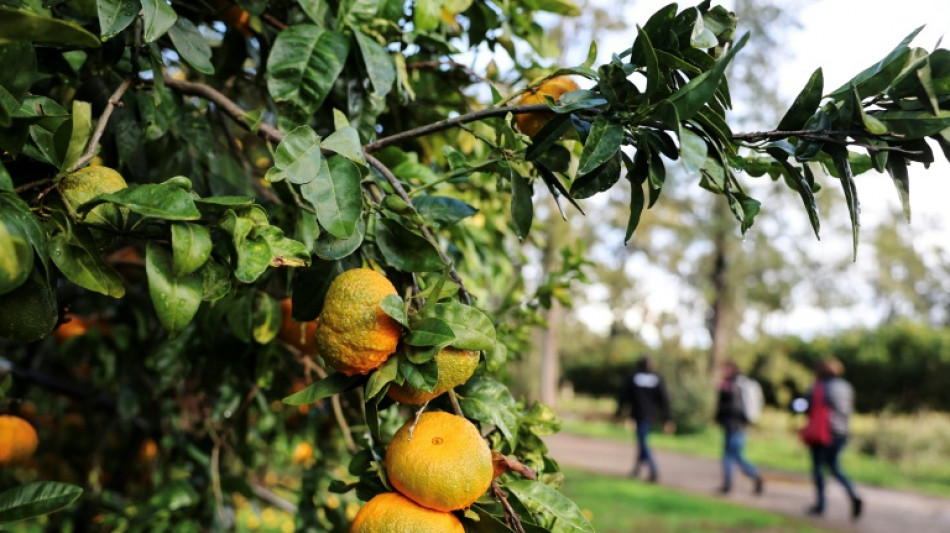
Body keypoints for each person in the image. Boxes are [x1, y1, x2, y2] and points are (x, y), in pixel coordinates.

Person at [803, 358, 863, 519]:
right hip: (842, 432)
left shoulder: (818, 386)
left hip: (822, 433)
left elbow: (808, 408)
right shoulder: (846, 387)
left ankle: (820, 504)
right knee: (834, 467)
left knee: (818, 468)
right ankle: (852, 494)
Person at [615, 356, 675, 482]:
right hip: (651, 416)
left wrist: (619, 413)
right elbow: (664, 400)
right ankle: (636, 470)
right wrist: (667, 418)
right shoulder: (656, 378)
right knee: (642, 441)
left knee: (643, 443)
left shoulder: (633, 377)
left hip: (638, 415)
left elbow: (623, 396)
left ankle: (654, 471)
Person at [714, 360, 764, 495]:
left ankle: (730, 484)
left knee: (730, 455)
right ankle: (751, 476)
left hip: (737, 426)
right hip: (732, 425)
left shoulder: (736, 386)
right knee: (735, 455)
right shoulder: (727, 384)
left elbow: (734, 408)